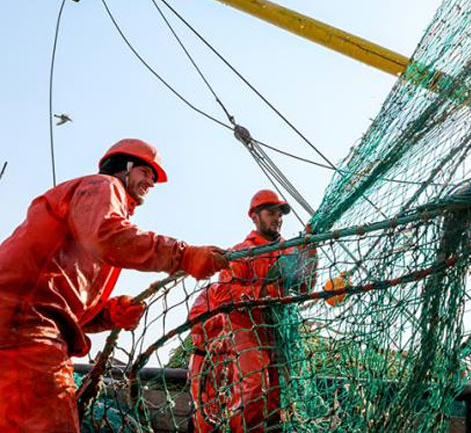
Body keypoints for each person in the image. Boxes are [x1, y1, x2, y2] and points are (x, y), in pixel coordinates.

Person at [0, 138, 229, 432]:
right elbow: (107, 237)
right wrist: (184, 254)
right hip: (25, 330)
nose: (151, 182)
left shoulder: (95, 210)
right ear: (125, 167)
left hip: (21, 327)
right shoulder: (102, 188)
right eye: (146, 172)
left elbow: (62, 299)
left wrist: (107, 314)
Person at [188, 189, 316, 433]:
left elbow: (305, 286)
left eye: (280, 214)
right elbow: (224, 295)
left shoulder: (289, 251)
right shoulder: (240, 253)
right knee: (254, 382)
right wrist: (263, 291)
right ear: (254, 216)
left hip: (279, 329)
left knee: (279, 391)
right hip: (245, 325)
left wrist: (311, 252)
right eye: (271, 213)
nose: (277, 218)